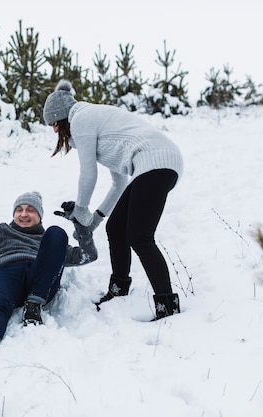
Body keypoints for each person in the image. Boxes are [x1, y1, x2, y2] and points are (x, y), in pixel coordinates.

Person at [42, 79, 184, 320]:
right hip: (158, 163)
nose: (55, 130)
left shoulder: (82, 119)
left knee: (140, 236)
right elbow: (118, 183)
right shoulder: (96, 121)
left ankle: (167, 305)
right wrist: (93, 221)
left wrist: (81, 209)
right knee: (116, 227)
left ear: (62, 116)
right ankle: (118, 290)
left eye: (54, 124)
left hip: (155, 162)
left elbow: (88, 173)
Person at [0, 180, 98, 355]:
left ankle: (33, 307)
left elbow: (88, 255)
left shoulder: (49, 243)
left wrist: (80, 225)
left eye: (30, 210)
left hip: (39, 282)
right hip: (5, 273)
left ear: (40, 216)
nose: (24, 214)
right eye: (19, 210)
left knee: (56, 232)